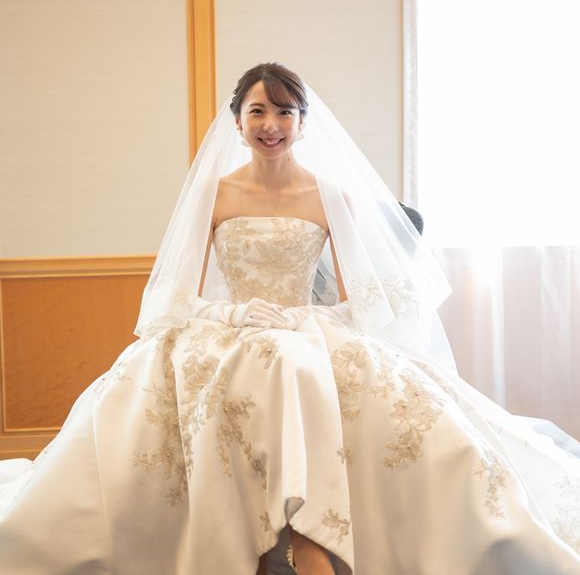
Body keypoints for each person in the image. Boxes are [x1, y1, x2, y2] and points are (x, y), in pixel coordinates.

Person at [1, 63, 579, 575]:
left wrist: (306, 319)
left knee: (298, 365)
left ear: (303, 122)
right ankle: (259, 543)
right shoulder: (213, 194)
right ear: (237, 122)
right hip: (230, 328)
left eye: (284, 111)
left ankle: (308, 541)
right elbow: (176, 295)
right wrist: (234, 312)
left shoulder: (331, 196)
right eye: (258, 111)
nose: (271, 123)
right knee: (257, 368)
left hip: (303, 329)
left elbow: (362, 299)